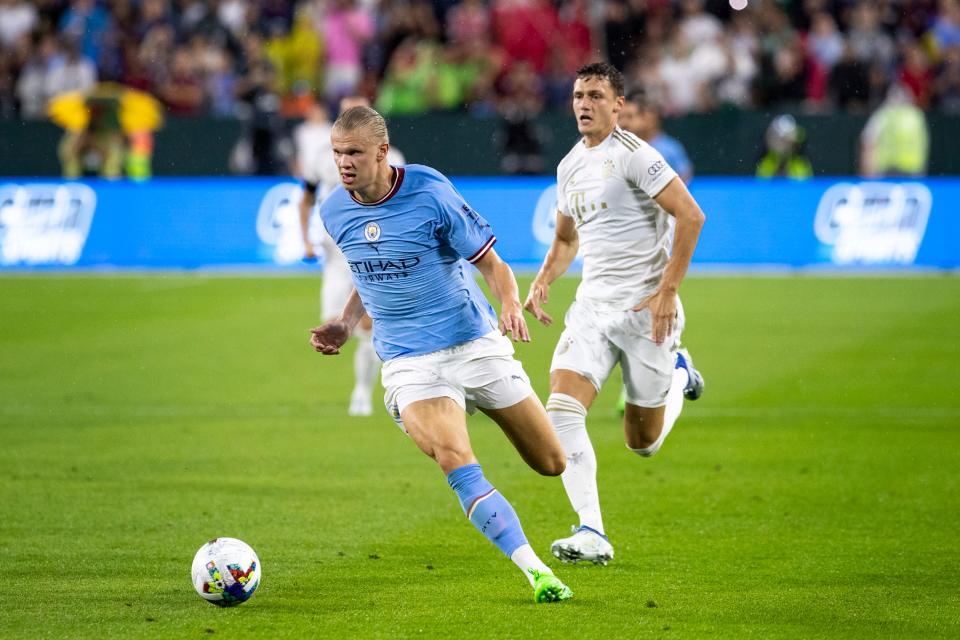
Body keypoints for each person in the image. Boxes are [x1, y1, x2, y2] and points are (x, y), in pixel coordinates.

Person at [308, 105, 574, 602]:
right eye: (338, 153)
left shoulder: (429, 192)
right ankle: (537, 571)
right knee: (454, 455)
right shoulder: (334, 211)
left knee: (552, 462)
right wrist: (345, 325)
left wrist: (511, 301)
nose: (344, 164)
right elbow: (369, 274)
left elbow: (490, 263)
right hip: (410, 363)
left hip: (474, 343)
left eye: (354, 154)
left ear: (382, 153)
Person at [524, 62, 706, 565]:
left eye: (596, 95)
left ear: (617, 105)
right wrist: (543, 279)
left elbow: (691, 215)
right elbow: (565, 239)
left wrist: (668, 290)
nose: (584, 103)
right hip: (591, 309)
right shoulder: (568, 166)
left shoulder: (636, 156)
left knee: (641, 443)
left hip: (644, 310)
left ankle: (677, 374)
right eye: (579, 95)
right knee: (560, 409)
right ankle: (592, 531)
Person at [296, 96, 404, 416]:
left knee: (368, 325)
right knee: (333, 324)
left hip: (371, 251)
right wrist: (306, 240)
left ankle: (363, 392)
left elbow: (398, 203)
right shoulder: (321, 156)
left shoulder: (391, 155)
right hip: (335, 258)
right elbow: (305, 198)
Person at [618, 90, 693, 184]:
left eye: (630, 117)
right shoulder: (621, 146)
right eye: (621, 117)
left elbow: (685, 174)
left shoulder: (670, 147)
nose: (625, 123)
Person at [859, 84, 929, 177]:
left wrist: (867, 170)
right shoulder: (917, 116)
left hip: (888, 170)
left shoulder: (884, 114)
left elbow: (868, 141)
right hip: (913, 170)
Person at [755, 114, 814, 179]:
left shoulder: (800, 162)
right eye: (779, 139)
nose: (783, 142)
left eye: (786, 139)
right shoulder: (767, 162)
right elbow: (762, 183)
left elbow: (805, 183)